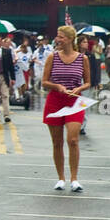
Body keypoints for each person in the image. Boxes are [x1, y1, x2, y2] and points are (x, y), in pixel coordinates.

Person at [42, 25, 90, 192]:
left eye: (61, 37)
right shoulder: (52, 57)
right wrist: (58, 86)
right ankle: (61, 178)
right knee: (57, 143)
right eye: (57, 36)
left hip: (75, 102)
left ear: (70, 39)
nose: (58, 39)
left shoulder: (82, 58)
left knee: (73, 140)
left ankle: (74, 179)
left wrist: (80, 89)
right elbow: (44, 82)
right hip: (55, 100)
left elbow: (88, 81)